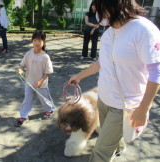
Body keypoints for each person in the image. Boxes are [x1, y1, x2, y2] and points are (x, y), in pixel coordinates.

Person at [68, 0, 160, 161]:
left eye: (101, 9)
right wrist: (79, 76)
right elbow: (102, 62)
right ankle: (119, 147)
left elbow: (156, 72)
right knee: (107, 134)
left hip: (125, 105)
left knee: (100, 152)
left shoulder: (144, 30)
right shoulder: (110, 32)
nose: (98, 14)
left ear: (116, 6)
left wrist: (143, 109)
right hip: (104, 99)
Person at [15, 30, 55, 127]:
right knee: (27, 99)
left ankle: (49, 110)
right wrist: (20, 70)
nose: (37, 43)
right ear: (32, 41)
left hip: (41, 84)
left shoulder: (45, 57)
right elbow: (21, 65)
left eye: (40, 40)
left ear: (44, 42)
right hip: (29, 82)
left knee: (44, 99)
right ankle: (24, 116)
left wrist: (41, 81)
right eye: (35, 40)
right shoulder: (28, 54)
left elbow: (48, 72)